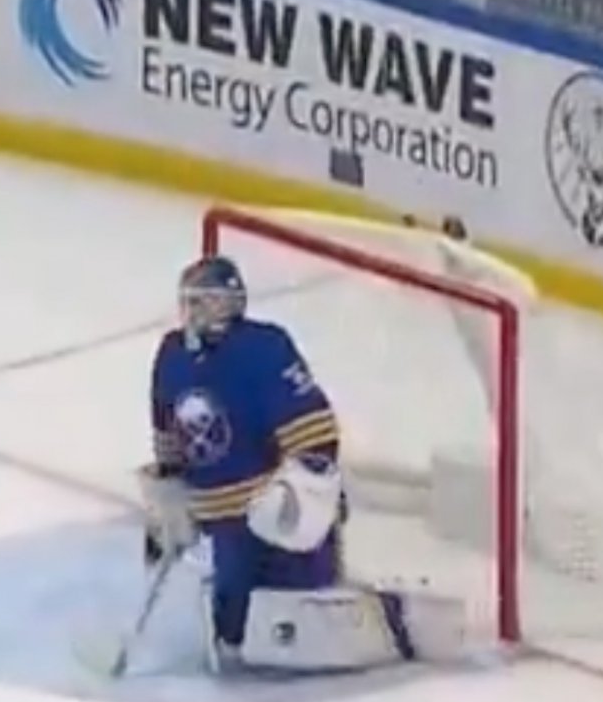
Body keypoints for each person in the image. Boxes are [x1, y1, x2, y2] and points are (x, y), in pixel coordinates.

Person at [142, 255, 465, 673]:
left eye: (204, 300)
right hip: (224, 522)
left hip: (281, 508)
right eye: (189, 301)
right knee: (235, 630)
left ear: (230, 302)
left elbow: (313, 429)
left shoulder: (263, 347)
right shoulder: (172, 356)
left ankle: (394, 621)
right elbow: (168, 435)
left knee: (310, 619)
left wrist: (306, 494)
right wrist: (167, 499)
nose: (193, 310)